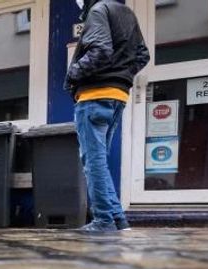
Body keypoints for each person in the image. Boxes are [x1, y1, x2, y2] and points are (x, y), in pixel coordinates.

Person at [66, 0, 149, 232]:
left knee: (93, 163)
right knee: (99, 162)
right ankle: (118, 219)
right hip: (117, 97)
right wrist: (120, 75)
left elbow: (101, 49)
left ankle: (103, 220)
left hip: (94, 96)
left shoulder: (98, 10)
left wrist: (73, 73)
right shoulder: (127, 13)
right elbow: (143, 56)